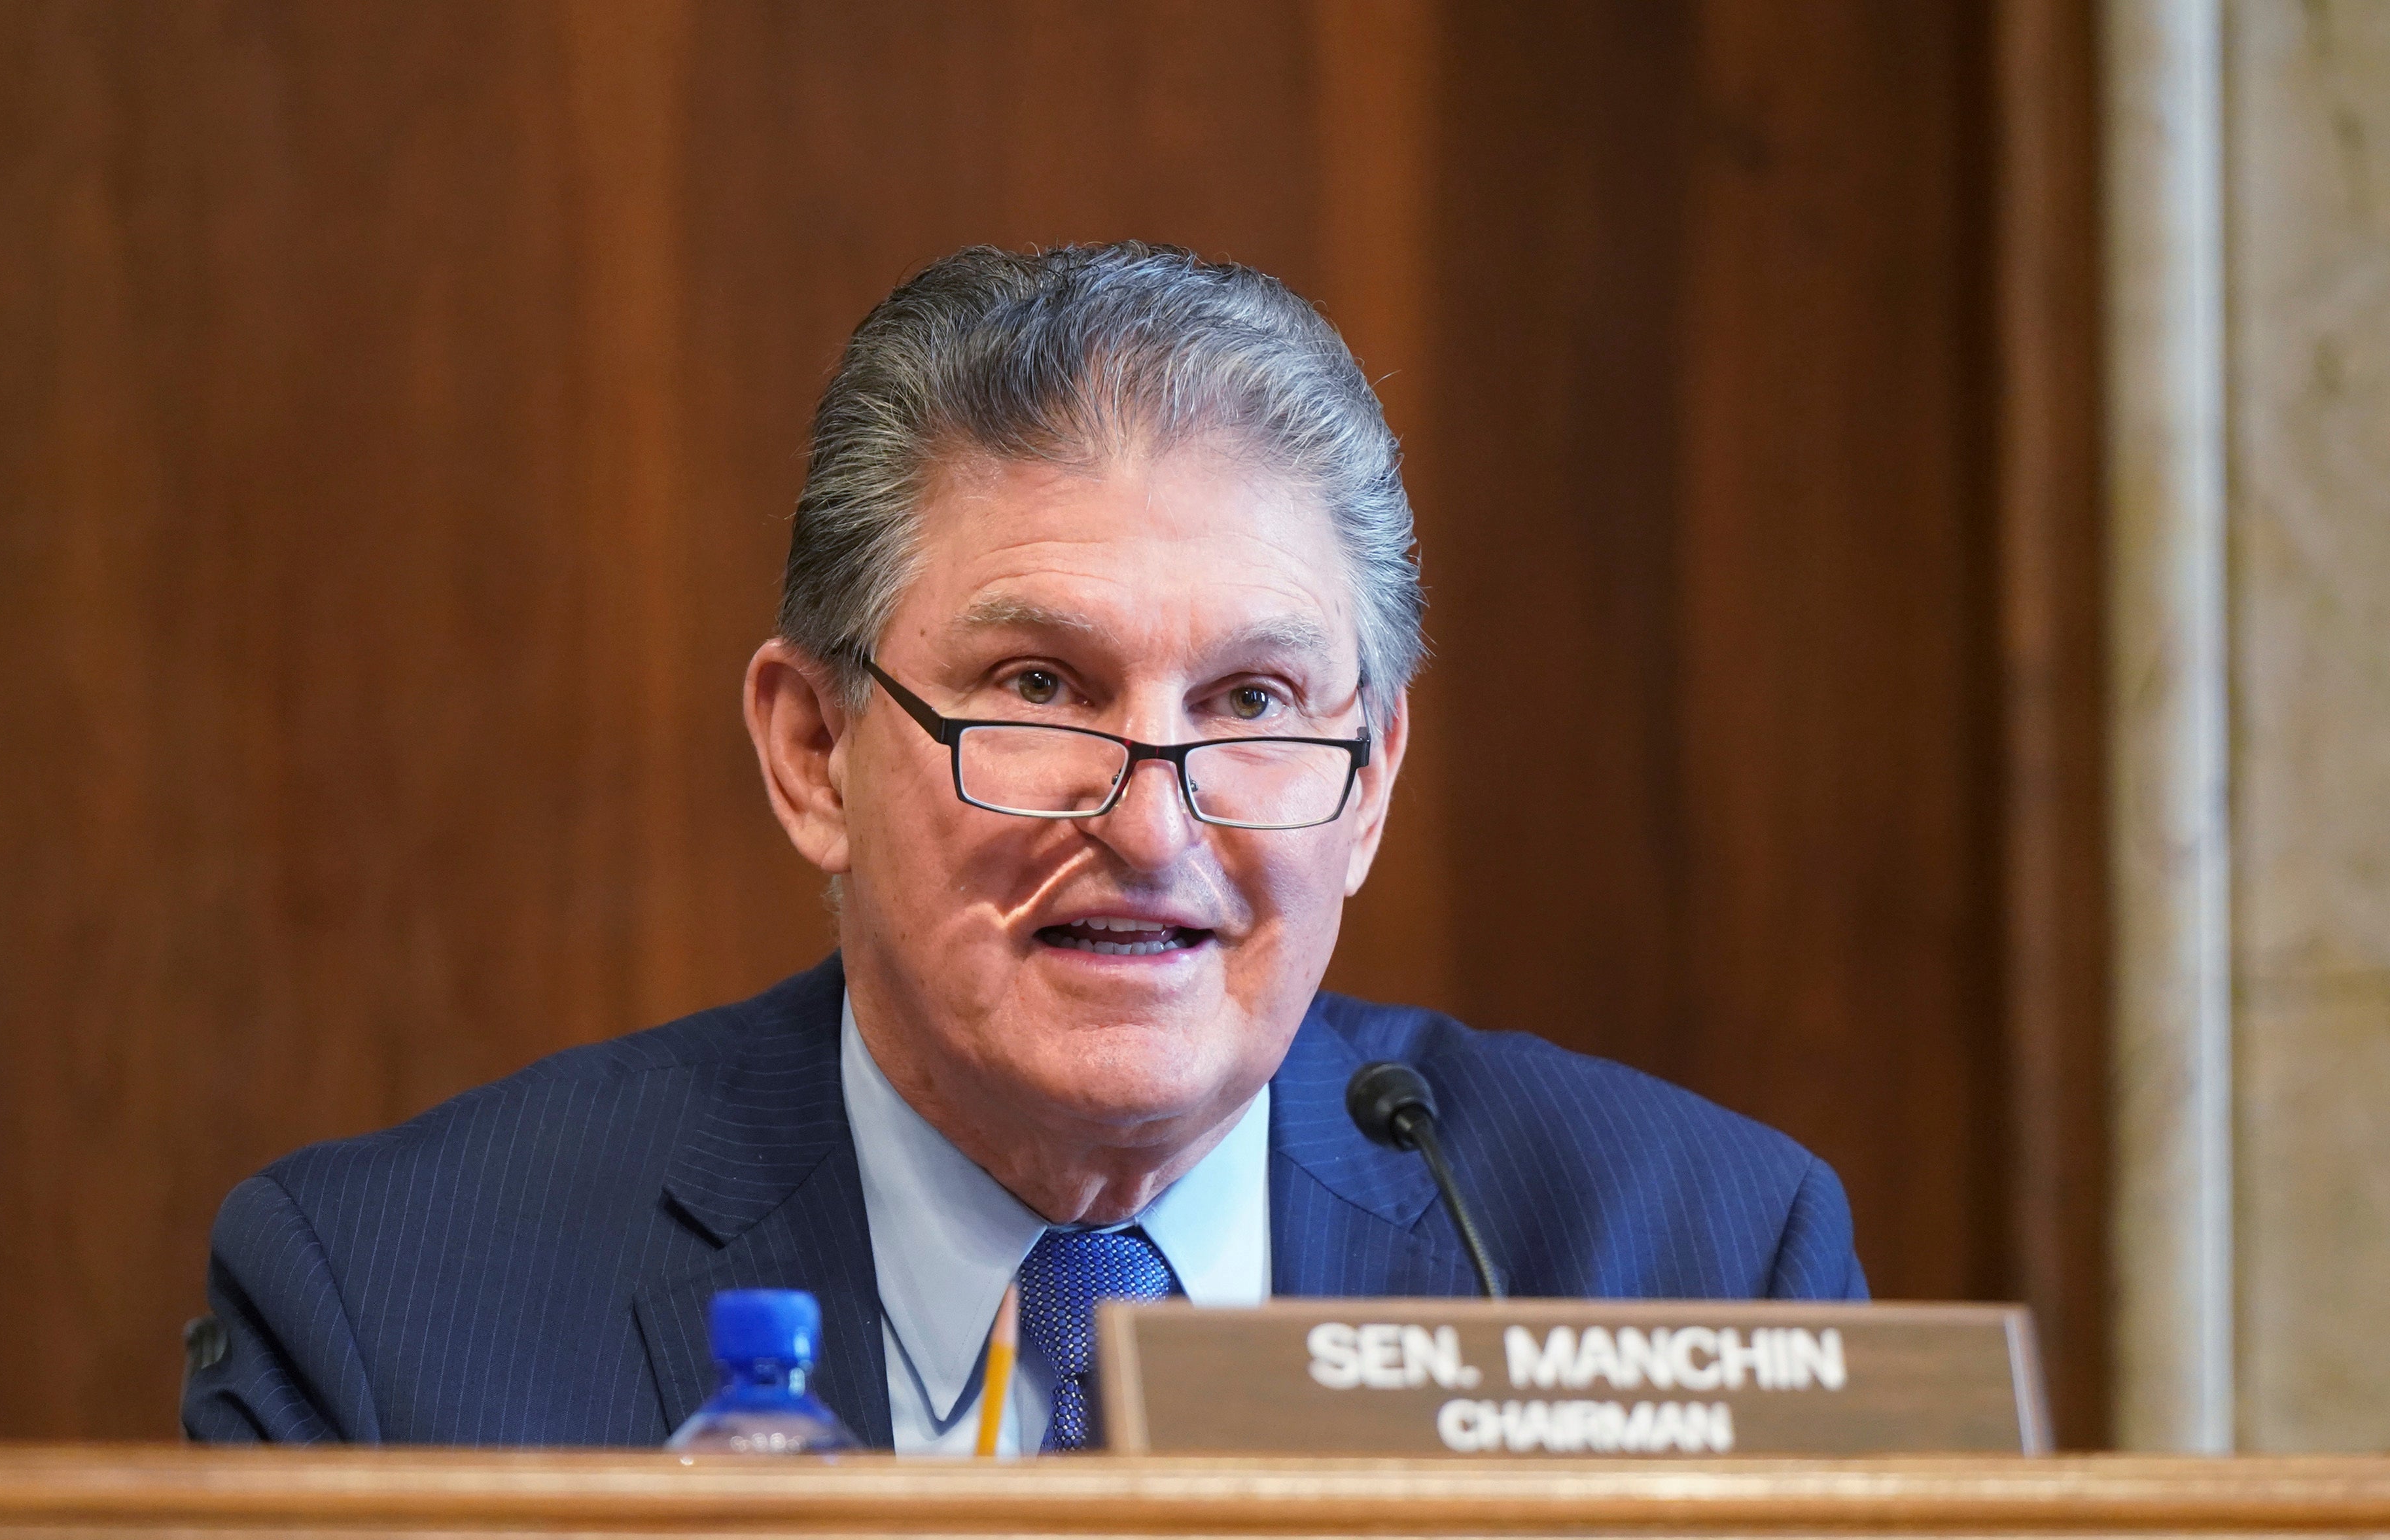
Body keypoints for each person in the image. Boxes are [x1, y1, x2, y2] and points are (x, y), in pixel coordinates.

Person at [183, 243, 1864, 1450]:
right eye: (1039, 689)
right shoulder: (391, 1322)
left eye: (1255, 700)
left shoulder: (1700, 1266)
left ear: (1369, 780)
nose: (1148, 824)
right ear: (811, 753)